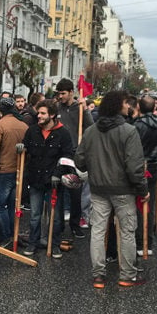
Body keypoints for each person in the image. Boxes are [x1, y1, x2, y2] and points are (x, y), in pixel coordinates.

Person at [75, 90, 149, 288]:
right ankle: (127, 274)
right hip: (123, 189)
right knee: (127, 231)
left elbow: (79, 161)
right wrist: (143, 189)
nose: (129, 106)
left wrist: (94, 167)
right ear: (118, 106)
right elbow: (134, 167)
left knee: (98, 231)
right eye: (126, 103)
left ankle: (98, 275)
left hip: (98, 188)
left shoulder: (91, 131)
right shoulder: (129, 131)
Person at [21, 99, 73, 258]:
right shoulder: (32, 131)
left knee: (56, 217)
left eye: (43, 113)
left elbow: (68, 155)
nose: (39, 116)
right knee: (35, 215)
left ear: (52, 115)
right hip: (36, 178)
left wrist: (58, 173)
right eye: (39, 113)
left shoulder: (63, 133)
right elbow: (26, 145)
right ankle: (33, 243)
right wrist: (21, 147)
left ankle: (55, 243)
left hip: (53, 181)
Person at [0, 96, 28, 248]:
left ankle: (6, 234)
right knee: (11, 205)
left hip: (4, 169)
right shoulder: (23, 125)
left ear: (1, 109)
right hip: (19, 170)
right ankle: (12, 234)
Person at [55, 78, 94, 238]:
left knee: (75, 192)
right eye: (59, 93)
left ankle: (75, 224)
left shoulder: (79, 108)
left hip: (75, 153)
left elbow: (91, 127)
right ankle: (58, 225)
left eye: (63, 93)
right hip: (59, 153)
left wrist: (85, 111)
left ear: (71, 92)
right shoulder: (57, 108)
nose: (60, 96)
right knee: (58, 190)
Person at [131, 95, 157, 257]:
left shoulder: (137, 125)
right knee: (149, 205)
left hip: (140, 166)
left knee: (137, 204)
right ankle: (148, 242)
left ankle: (139, 241)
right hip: (153, 165)